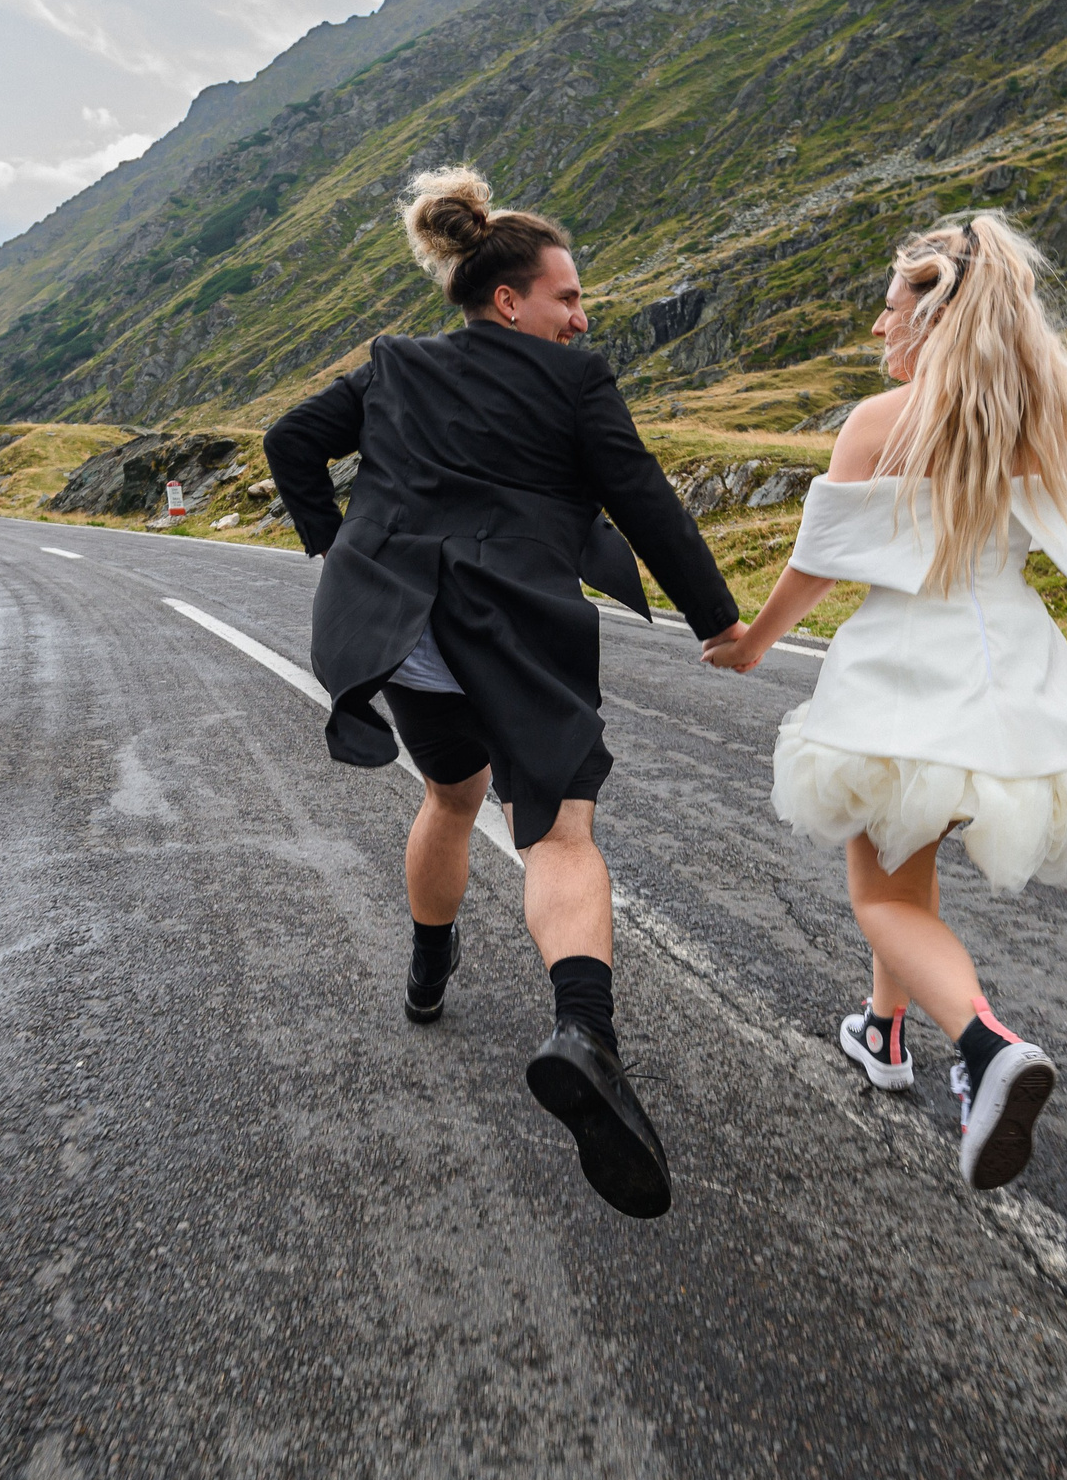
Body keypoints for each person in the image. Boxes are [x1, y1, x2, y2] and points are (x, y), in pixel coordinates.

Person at [704, 212, 1067, 1191]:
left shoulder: (878, 423)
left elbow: (816, 563)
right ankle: (884, 1028)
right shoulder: (1030, 424)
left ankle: (986, 1047)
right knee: (906, 873)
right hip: (1013, 686)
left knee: (879, 894)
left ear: (932, 310)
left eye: (890, 304)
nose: (877, 327)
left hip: (903, 680)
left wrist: (751, 646)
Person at [264, 166, 749, 1219]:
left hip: (405, 628)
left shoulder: (392, 366)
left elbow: (290, 441)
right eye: (567, 297)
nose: (582, 315)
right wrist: (719, 616)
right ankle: (585, 1034)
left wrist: (341, 550)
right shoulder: (573, 384)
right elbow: (644, 500)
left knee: (448, 793)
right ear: (509, 300)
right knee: (560, 832)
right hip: (514, 623)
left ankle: (428, 970)